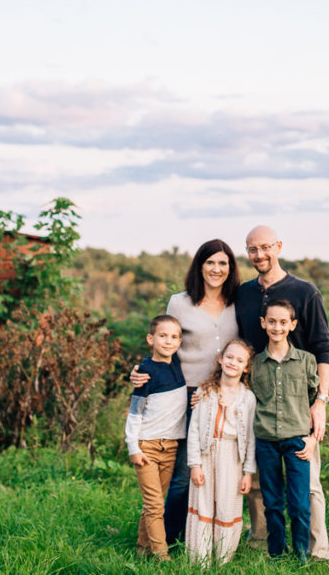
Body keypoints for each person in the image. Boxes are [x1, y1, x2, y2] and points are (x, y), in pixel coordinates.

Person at [129, 239, 241, 544]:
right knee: (182, 475)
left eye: (223, 263)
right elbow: (164, 344)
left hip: (224, 396)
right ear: (199, 266)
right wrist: (141, 372)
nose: (216, 269)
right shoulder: (179, 302)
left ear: (230, 268)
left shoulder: (237, 301)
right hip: (188, 396)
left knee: (217, 471)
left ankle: (210, 534)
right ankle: (167, 535)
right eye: (210, 262)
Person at [236, 224, 329, 560]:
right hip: (261, 397)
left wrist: (320, 401)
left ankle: (315, 552)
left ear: (278, 246)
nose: (259, 255)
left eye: (265, 247)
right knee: (262, 487)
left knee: (307, 485)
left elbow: (323, 348)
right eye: (252, 249)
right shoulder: (244, 294)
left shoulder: (305, 292)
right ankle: (265, 546)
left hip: (298, 403)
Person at [252, 299, 319, 562]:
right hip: (266, 440)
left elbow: (315, 402)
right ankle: (276, 552)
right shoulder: (255, 364)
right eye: (271, 321)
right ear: (263, 323)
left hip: (297, 442)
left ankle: (301, 554)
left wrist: (313, 439)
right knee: (272, 503)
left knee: (300, 503)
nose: (276, 327)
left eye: (282, 322)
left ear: (292, 325)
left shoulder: (306, 361)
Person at [185, 339, 257, 567]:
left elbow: (252, 438)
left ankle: (223, 560)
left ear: (246, 367)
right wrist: (195, 463)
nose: (233, 363)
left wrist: (248, 472)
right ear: (220, 359)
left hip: (232, 456)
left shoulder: (248, 398)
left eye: (239, 360)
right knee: (203, 503)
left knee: (227, 505)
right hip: (206, 454)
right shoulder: (205, 391)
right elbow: (194, 429)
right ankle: (200, 560)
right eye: (229, 357)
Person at [124, 315, 187, 561]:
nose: (168, 341)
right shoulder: (145, 372)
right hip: (147, 447)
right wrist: (133, 447)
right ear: (151, 339)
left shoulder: (178, 366)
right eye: (162, 336)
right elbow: (134, 414)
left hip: (170, 447)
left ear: (180, 342)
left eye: (173, 337)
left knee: (155, 503)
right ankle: (162, 556)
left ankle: (142, 549)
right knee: (155, 506)